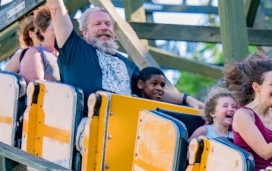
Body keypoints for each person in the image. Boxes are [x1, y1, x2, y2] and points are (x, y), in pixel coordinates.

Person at [45, 0, 201, 106]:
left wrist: (188, 99)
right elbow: (56, 9)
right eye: (97, 24)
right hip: (88, 123)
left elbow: (153, 89)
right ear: (84, 32)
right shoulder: (74, 50)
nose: (104, 27)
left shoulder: (127, 65)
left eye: (108, 24)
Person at [17, 8, 59, 83]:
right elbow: (34, 90)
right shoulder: (34, 53)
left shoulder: (61, 55)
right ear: (42, 31)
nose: (60, 32)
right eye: (54, 29)